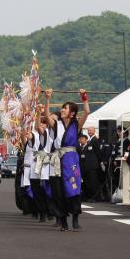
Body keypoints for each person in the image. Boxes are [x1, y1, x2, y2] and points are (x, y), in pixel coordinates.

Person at [43, 88, 90, 232]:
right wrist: (47, 98)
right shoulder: (56, 124)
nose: (62, 110)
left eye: (65, 108)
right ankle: (63, 221)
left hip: (71, 160)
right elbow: (45, 115)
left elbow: (87, 111)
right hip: (58, 159)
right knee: (58, 191)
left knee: (73, 188)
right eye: (62, 108)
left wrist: (83, 97)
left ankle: (75, 219)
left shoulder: (76, 125)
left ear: (73, 112)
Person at [82, 126, 102, 202]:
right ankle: (93, 196)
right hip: (89, 165)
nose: (89, 131)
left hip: (93, 165)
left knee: (94, 182)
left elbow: (98, 152)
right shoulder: (90, 140)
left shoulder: (95, 140)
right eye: (88, 130)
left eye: (90, 130)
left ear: (94, 131)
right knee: (90, 182)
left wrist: (99, 162)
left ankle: (96, 197)